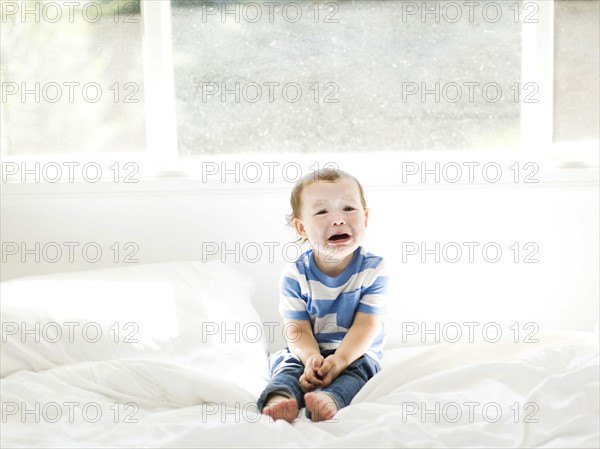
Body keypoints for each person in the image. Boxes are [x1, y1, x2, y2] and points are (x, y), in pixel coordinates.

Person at [257, 168, 388, 422]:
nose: (338, 219)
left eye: (349, 208)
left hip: (354, 352)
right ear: (301, 227)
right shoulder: (296, 275)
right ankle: (281, 397)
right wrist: (311, 358)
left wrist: (339, 361)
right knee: (286, 364)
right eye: (322, 212)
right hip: (309, 351)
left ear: (366, 218)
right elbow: (297, 329)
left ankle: (331, 398)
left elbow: (366, 325)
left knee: (360, 371)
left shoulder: (373, 269)